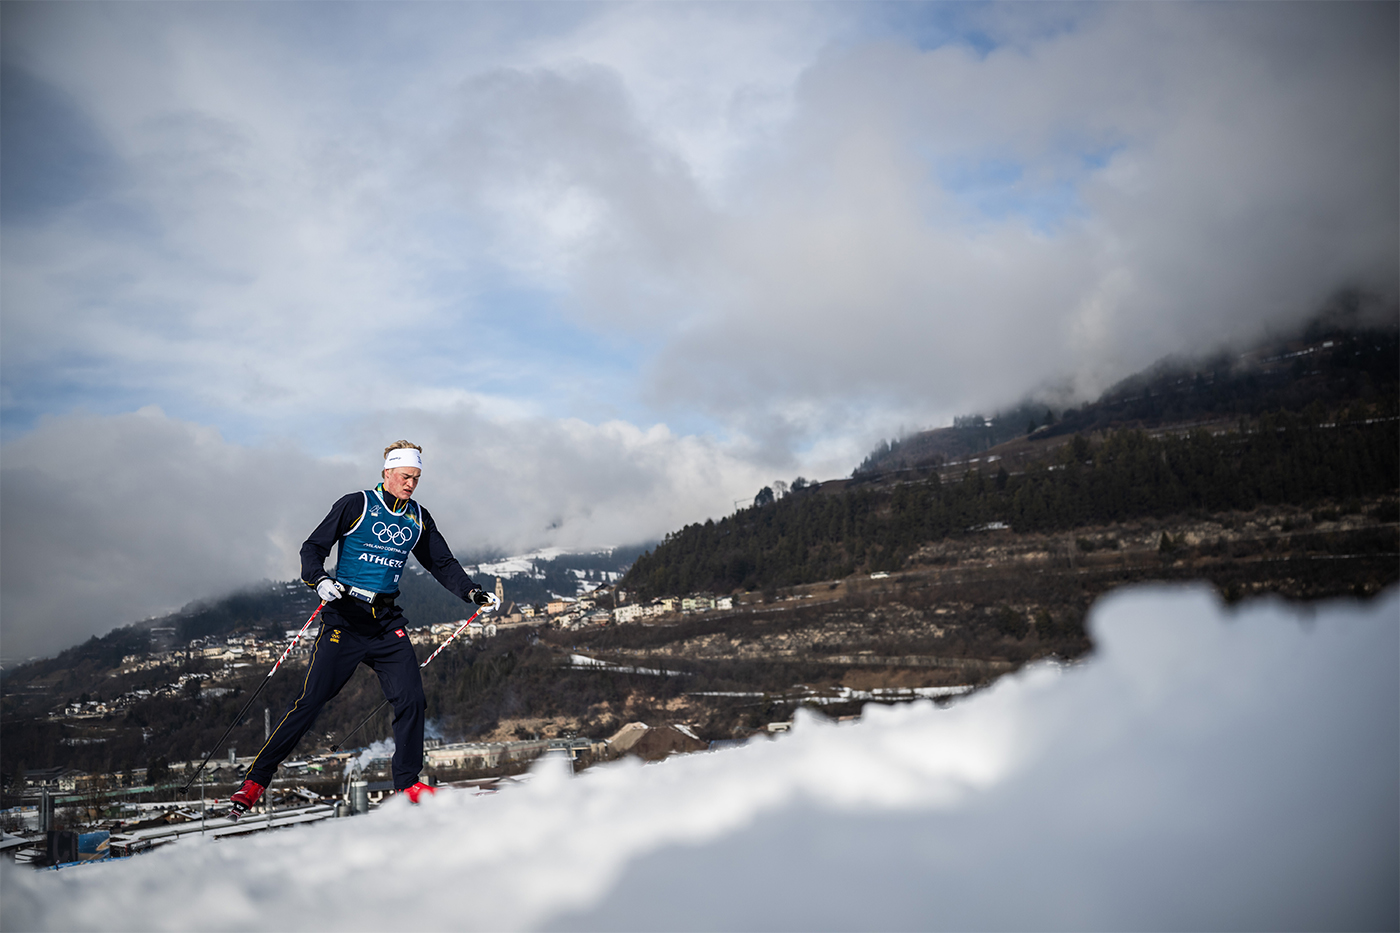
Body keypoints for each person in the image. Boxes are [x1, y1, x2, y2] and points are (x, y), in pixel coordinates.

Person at [226, 441, 498, 817]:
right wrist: (318, 579)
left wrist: (471, 591)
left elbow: (441, 562)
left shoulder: (418, 517)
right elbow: (313, 547)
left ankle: (407, 782)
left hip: (386, 622)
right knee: (311, 702)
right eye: (405, 476)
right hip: (345, 619)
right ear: (387, 472)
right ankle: (255, 781)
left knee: (411, 699)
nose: (410, 484)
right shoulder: (356, 504)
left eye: (416, 478)